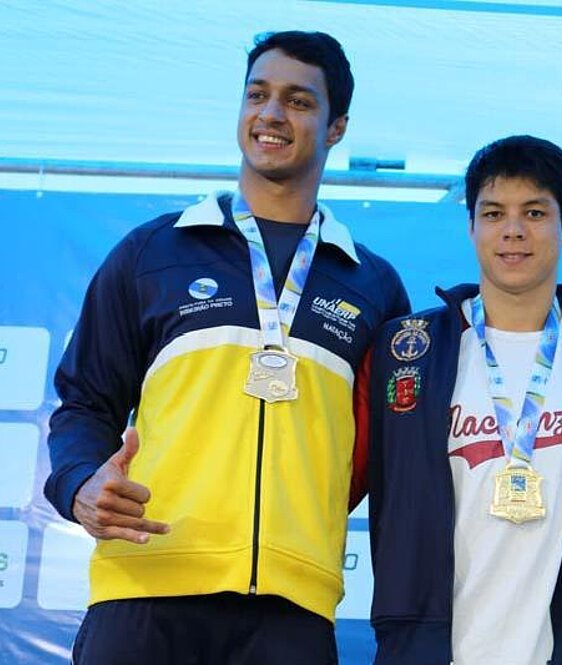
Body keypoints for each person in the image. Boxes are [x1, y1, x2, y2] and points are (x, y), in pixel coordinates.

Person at [44, 30, 409, 664]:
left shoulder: (372, 285)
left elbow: (384, 451)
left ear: (337, 127)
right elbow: (83, 403)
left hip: (292, 611)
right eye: (257, 95)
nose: (271, 114)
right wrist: (78, 483)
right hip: (143, 590)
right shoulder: (152, 253)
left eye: (298, 101)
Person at [363, 135, 562, 665]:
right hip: (424, 649)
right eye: (493, 213)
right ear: (471, 226)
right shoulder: (406, 350)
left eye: (534, 212)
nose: (513, 230)